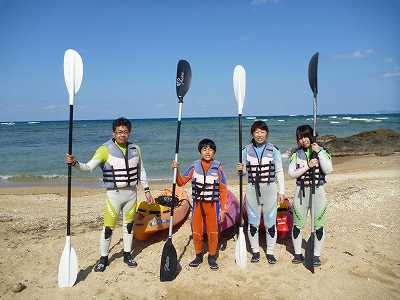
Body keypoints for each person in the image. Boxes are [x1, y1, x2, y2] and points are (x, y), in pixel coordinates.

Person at [65, 117, 154, 272]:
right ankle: (104, 258)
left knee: (128, 226)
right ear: (113, 133)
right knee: (108, 227)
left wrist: (146, 190)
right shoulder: (104, 149)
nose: (122, 135)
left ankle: (127, 255)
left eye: (125, 132)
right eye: (119, 132)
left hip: (131, 194)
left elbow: (142, 170)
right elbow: (88, 167)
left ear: (129, 132)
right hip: (114, 195)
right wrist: (75, 163)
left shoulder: (136, 148)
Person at [171, 138, 227, 270]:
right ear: (200, 152)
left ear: (214, 152)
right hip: (198, 205)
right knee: (197, 232)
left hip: (213, 206)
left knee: (213, 232)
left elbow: (224, 190)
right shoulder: (194, 166)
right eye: (204, 149)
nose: (208, 152)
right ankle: (198, 256)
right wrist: (176, 170)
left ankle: (212, 257)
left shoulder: (218, 168)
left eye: (210, 149)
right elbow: (181, 182)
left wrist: (223, 210)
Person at [236, 120, 285, 264]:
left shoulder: (273, 150)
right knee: (253, 222)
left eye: (262, 132)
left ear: (266, 134)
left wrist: (281, 191)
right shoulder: (245, 150)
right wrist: (240, 170)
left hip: (270, 189)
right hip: (252, 190)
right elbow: (244, 174)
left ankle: (270, 252)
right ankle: (256, 252)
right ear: (252, 133)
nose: (259, 135)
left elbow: (279, 171)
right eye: (256, 132)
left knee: (270, 222)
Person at [288, 124, 333, 267]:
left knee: (318, 226)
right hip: (301, 193)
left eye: (306, 136)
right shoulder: (296, 154)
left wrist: (318, 152)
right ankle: (297, 253)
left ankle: (316, 255)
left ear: (312, 136)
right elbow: (291, 173)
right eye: (300, 138)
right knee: (297, 225)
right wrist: (308, 165)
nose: (303, 140)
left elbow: (328, 169)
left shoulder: (322, 151)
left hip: (318, 191)